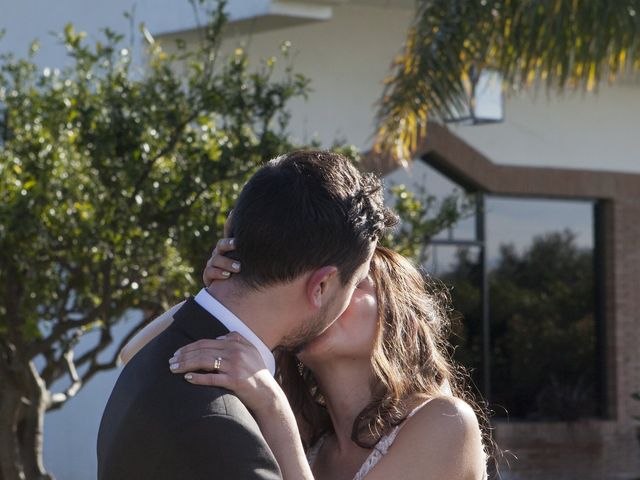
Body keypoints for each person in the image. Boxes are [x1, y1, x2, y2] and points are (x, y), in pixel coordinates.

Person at [96, 150, 396, 480]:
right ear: (322, 284)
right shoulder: (224, 430)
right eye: (354, 283)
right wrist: (277, 413)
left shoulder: (152, 362)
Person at [123, 242, 490, 479]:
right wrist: (218, 294)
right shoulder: (312, 436)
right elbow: (135, 356)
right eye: (314, 284)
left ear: (402, 320)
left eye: (351, 284)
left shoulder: (446, 423)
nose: (321, 295)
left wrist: (271, 406)